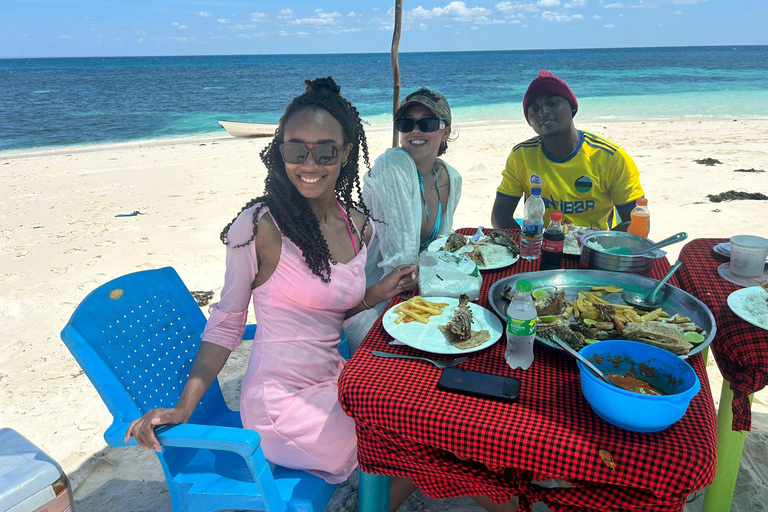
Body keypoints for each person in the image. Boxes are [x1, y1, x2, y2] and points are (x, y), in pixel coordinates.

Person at [124, 77, 419, 505]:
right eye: (296, 149)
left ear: (347, 152)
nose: (309, 162)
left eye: (325, 150)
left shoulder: (359, 224)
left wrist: (378, 291)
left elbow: (329, 312)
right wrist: (184, 408)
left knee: (414, 420)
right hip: (280, 404)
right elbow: (226, 323)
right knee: (399, 437)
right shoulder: (260, 225)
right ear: (280, 152)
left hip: (334, 379)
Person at [344, 87, 462, 353]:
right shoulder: (393, 165)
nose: (415, 131)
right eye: (406, 124)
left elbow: (440, 249)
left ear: (445, 132)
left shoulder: (452, 179)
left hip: (418, 294)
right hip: (370, 302)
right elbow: (401, 264)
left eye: (427, 123)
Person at [491, 71, 644, 231]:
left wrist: (596, 246)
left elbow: (638, 222)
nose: (543, 112)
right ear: (530, 121)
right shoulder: (521, 156)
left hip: (593, 247)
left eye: (552, 103)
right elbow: (500, 214)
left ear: (572, 107)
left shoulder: (610, 157)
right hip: (542, 246)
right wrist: (525, 243)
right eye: (534, 109)